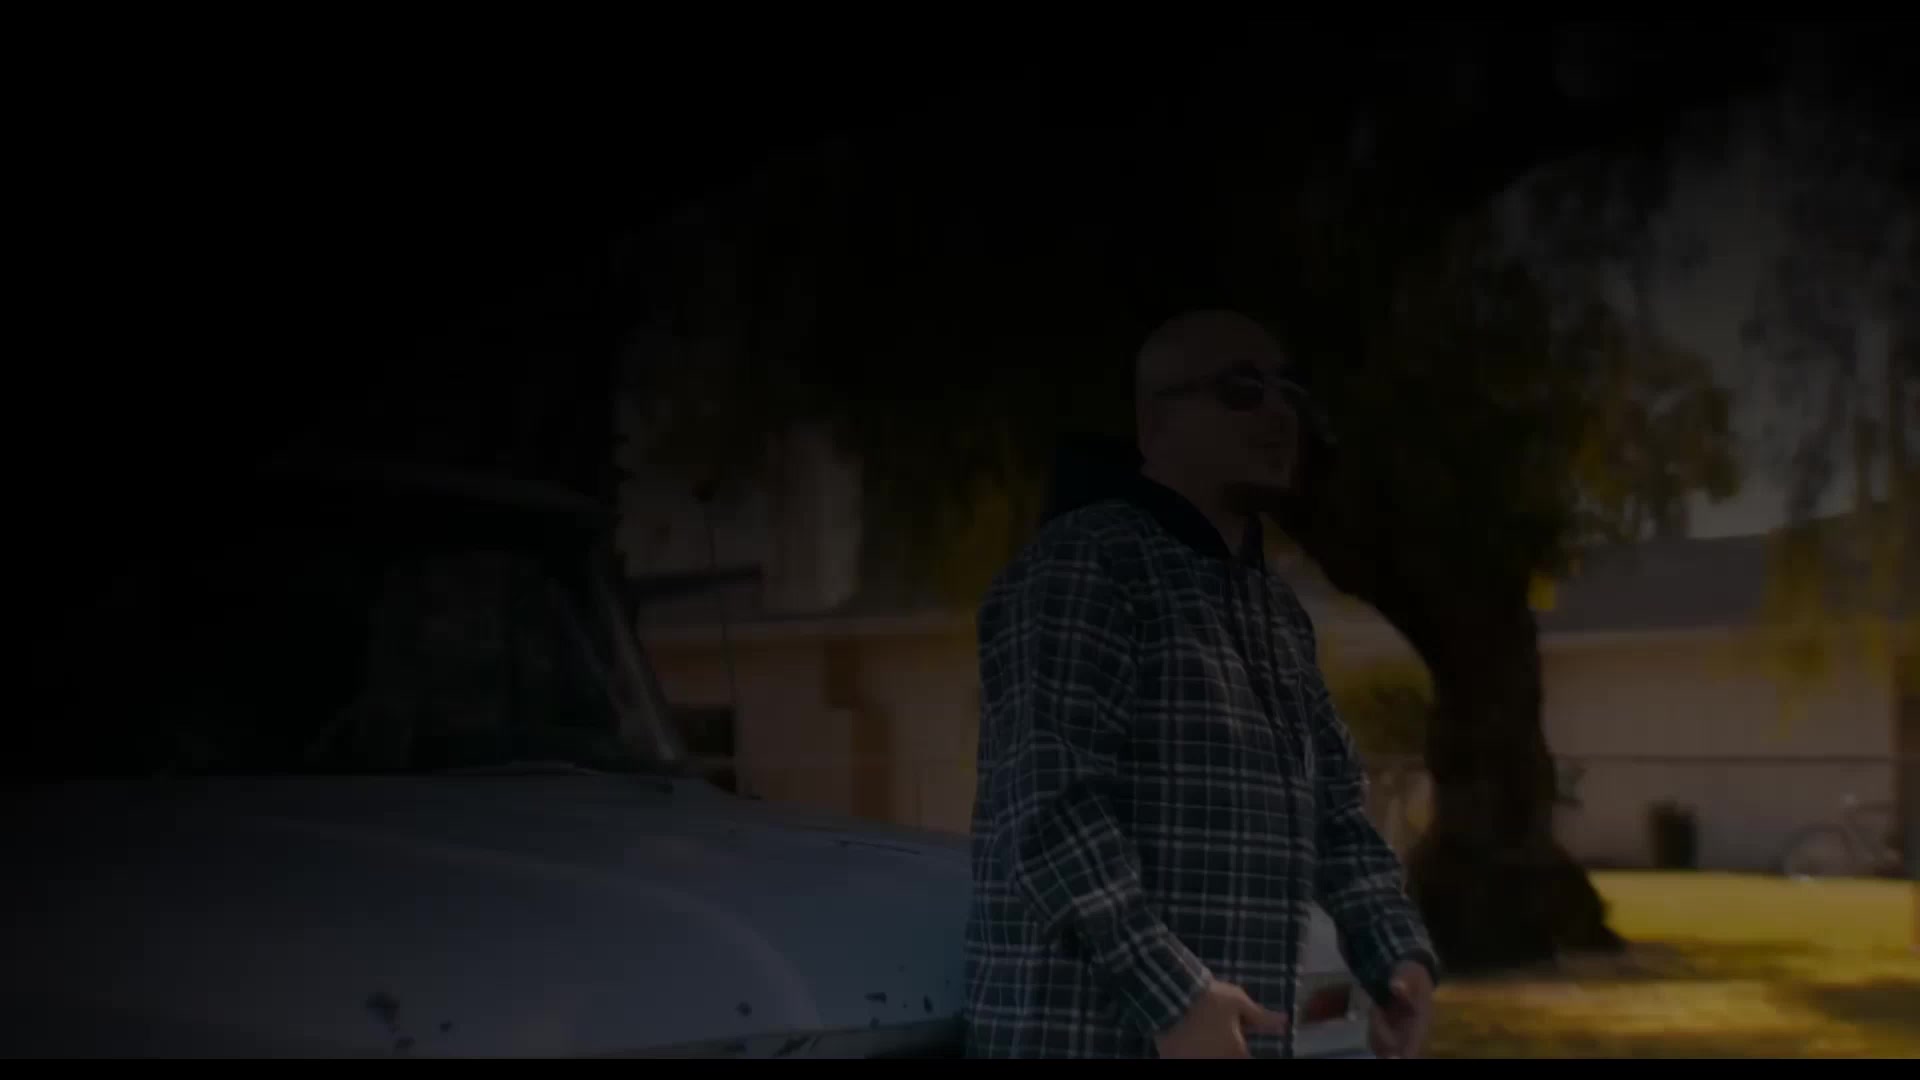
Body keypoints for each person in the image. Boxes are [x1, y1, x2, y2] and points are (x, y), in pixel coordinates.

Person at [962, 310, 1439, 1059]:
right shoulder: (1082, 567)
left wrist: (1396, 956)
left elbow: (1337, 818)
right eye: (1241, 389)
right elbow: (1050, 811)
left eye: (1289, 392)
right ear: (1154, 423)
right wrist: (1175, 996)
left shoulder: (1276, 614)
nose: (1279, 414)